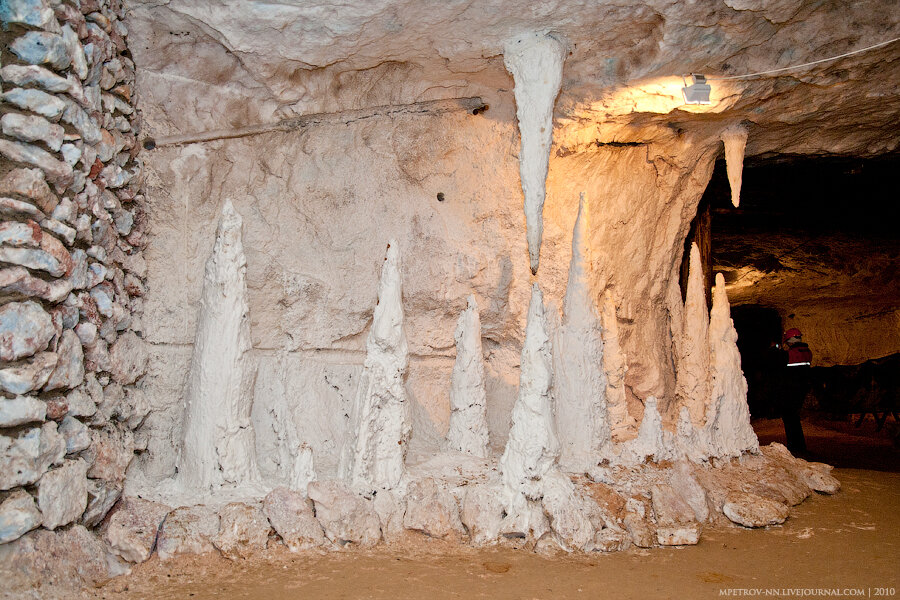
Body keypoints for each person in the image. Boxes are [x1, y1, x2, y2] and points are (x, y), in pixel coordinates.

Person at [780, 328, 812, 454]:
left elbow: (780, 367)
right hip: (801, 389)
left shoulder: (791, 353)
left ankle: (794, 447)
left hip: (791, 390)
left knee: (790, 419)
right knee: (794, 418)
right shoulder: (808, 352)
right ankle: (799, 446)